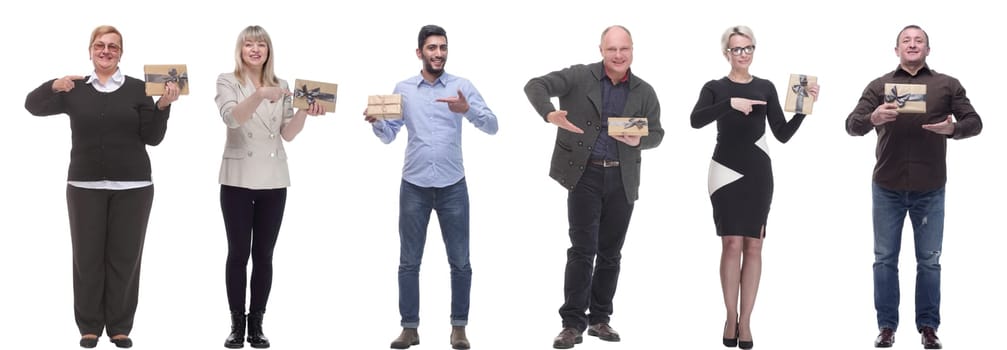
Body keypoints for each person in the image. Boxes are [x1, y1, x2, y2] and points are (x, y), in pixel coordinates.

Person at [23, 25, 180, 349]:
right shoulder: (74, 89)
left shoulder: (139, 89)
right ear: (90, 50)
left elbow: (153, 138)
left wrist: (163, 106)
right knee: (87, 257)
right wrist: (54, 84)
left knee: (125, 258)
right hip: (84, 186)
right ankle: (90, 326)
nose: (106, 50)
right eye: (100, 45)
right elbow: (32, 105)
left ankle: (120, 327)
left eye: (113, 46)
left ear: (121, 53)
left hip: (134, 186)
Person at [524, 25, 664, 349]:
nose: (618, 55)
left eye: (624, 49)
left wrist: (639, 138)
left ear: (632, 50)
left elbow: (657, 133)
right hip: (584, 176)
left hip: (622, 178)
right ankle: (572, 323)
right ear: (601, 50)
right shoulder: (578, 76)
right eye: (612, 49)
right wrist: (549, 113)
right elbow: (535, 85)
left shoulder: (644, 91)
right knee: (582, 250)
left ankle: (600, 319)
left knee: (611, 253)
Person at [846, 24, 982, 350]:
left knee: (930, 261)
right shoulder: (879, 86)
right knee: (884, 259)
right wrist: (872, 119)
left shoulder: (947, 85)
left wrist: (953, 129)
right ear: (896, 50)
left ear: (928, 49)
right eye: (906, 40)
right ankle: (886, 328)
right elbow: (851, 124)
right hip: (887, 187)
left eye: (918, 40)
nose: (912, 44)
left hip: (930, 188)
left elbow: (974, 122)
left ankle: (928, 327)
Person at [364, 24, 498, 350]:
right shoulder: (403, 89)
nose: (438, 53)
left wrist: (467, 110)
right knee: (409, 261)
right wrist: (377, 122)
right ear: (419, 52)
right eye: (432, 48)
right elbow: (389, 134)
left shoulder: (462, 86)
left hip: (453, 185)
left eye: (442, 47)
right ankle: (409, 328)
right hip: (415, 185)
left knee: (461, 261)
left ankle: (459, 328)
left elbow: (493, 125)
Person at [690, 25, 819, 350]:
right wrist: (729, 104)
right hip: (724, 171)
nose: (743, 54)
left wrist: (803, 109)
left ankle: (745, 321)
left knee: (755, 246)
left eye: (748, 48)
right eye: (737, 49)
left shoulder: (766, 86)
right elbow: (695, 120)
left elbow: (782, 133)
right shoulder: (715, 87)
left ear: (753, 50)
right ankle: (728, 316)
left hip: (758, 171)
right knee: (731, 244)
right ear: (726, 53)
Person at [214, 25, 325, 349]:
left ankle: (257, 325)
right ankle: (236, 325)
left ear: (268, 50)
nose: (254, 49)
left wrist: (304, 111)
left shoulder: (284, 85)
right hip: (237, 177)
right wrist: (259, 94)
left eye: (260, 44)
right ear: (240, 49)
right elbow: (232, 118)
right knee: (238, 253)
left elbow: (287, 134)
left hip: (274, 179)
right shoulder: (227, 80)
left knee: (264, 254)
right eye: (248, 44)